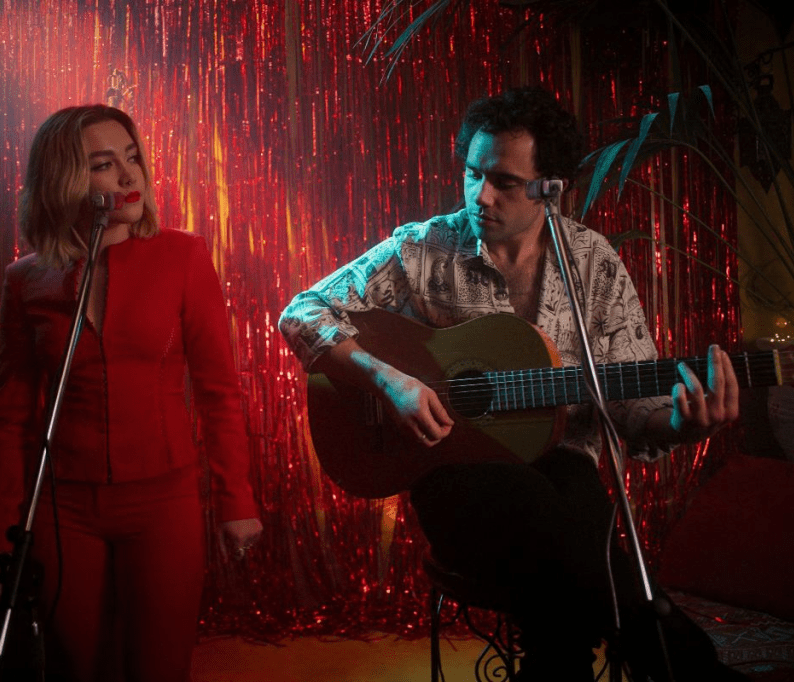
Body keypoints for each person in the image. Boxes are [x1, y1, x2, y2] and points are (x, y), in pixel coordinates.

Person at [278, 87, 744, 681]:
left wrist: (679, 424)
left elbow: (629, 409)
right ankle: (691, 667)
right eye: (473, 173)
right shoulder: (424, 247)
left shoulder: (593, 264)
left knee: (569, 511)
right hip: (454, 479)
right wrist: (390, 381)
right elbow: (302, 312)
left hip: (561, 473)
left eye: (504, 181)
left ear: (552, 187)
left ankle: (559, 667)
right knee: (573, 530)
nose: (481, 195)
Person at [0, 104, 263, 682]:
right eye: (104, 164)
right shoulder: (26, 279)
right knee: (79, 665)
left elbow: (219, 391)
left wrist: (237, 501)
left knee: (160, 667)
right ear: (63, 180)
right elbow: (12, 416)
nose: (130, 176)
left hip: (164, 501)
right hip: (63, 507)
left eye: (133, 159)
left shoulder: (183, 255)